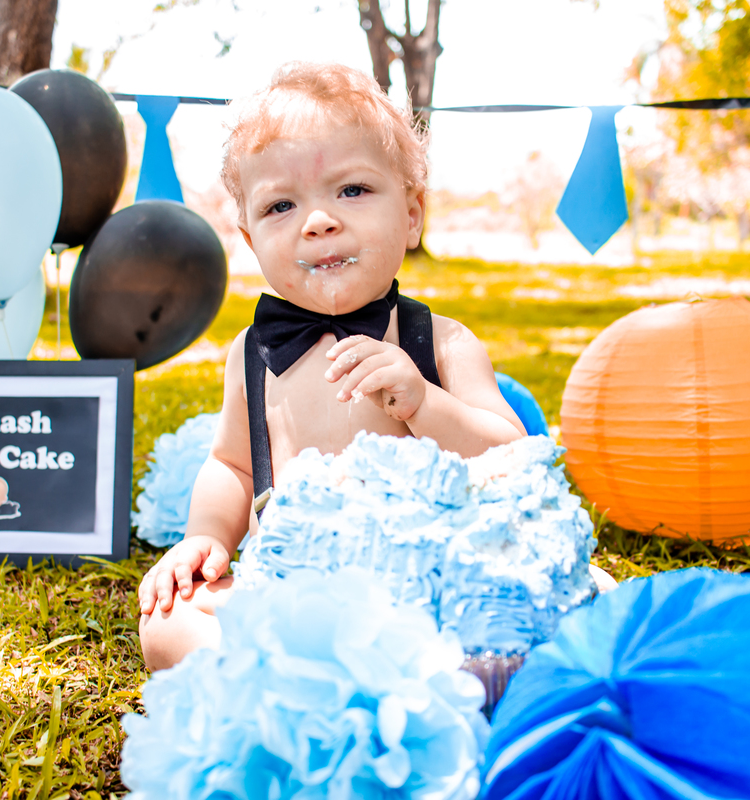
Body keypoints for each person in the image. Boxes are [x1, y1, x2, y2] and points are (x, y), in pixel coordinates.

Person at [138, 62, 532, 671]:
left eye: (352, 190)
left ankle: (347, 681)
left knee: (506, 628)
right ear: (251, 240)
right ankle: (294, 677)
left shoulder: (441, 342)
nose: (318, 220)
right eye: (281, 205)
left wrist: (425, 403)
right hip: (287, 588)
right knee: (167, 622)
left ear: (411, 215)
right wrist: (205, 538)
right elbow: (233, 465)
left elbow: (511, 459)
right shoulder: (251, 353)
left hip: (417, 591)